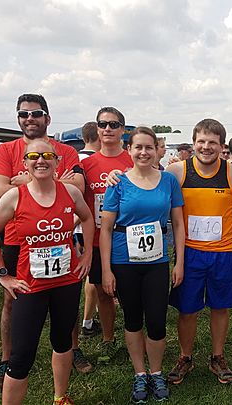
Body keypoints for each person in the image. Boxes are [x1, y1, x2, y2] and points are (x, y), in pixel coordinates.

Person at [0, 93, 88, 392]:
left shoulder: (66, 150)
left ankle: (69, 350)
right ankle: (8, 360)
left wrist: (24, 179)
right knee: (13, 300)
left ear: (47, 118)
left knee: (64, 300)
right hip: (18, 238)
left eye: (36, 114)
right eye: (23, 114)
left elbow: (78, 187)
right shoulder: (6, 149)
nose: (29, 119)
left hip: (57, 240)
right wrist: (2, 274)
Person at [100, 126, 185, 403]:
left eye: (149, 147)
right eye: (138, 147)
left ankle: (157, 371)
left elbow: (178, 224)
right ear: (129, 150)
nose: (144, 152)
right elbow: (106, 228)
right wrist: (106, 269)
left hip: (157, 261)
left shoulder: (168, 181)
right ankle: (140, 374)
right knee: (133, 319)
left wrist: (179, 262)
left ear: (157, 150)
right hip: (124, 260)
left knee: (157, 321)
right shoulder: (118, 183)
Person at [167, 119, 232, 385]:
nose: (206, 147)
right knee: (187, 310)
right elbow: (146, 181)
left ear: (222, 145)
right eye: (201, 141)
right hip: (190, 253)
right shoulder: (178, 171)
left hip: (224, 252)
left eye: (212, 142)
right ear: (193, 143)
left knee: (220, 307)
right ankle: (185, 357)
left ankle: (217, 356)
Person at [82, 106, 133, 353]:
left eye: (113, 124)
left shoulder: (135, 160)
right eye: (103, 124)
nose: (108, 129)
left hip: (129, 239)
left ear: (123, 130)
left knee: (131, 293)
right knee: (103, 291)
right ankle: (108, 338)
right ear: (97, 129)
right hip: (97, 238)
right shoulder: (87, 164)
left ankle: (135, 335)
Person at [74, 122, 101, 340]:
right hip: (85, 228)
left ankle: (92, 319)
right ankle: (87, 322)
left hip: (87, 227)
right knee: (92, 277)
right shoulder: (84, 163)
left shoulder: (76, 158)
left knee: (94, 278)